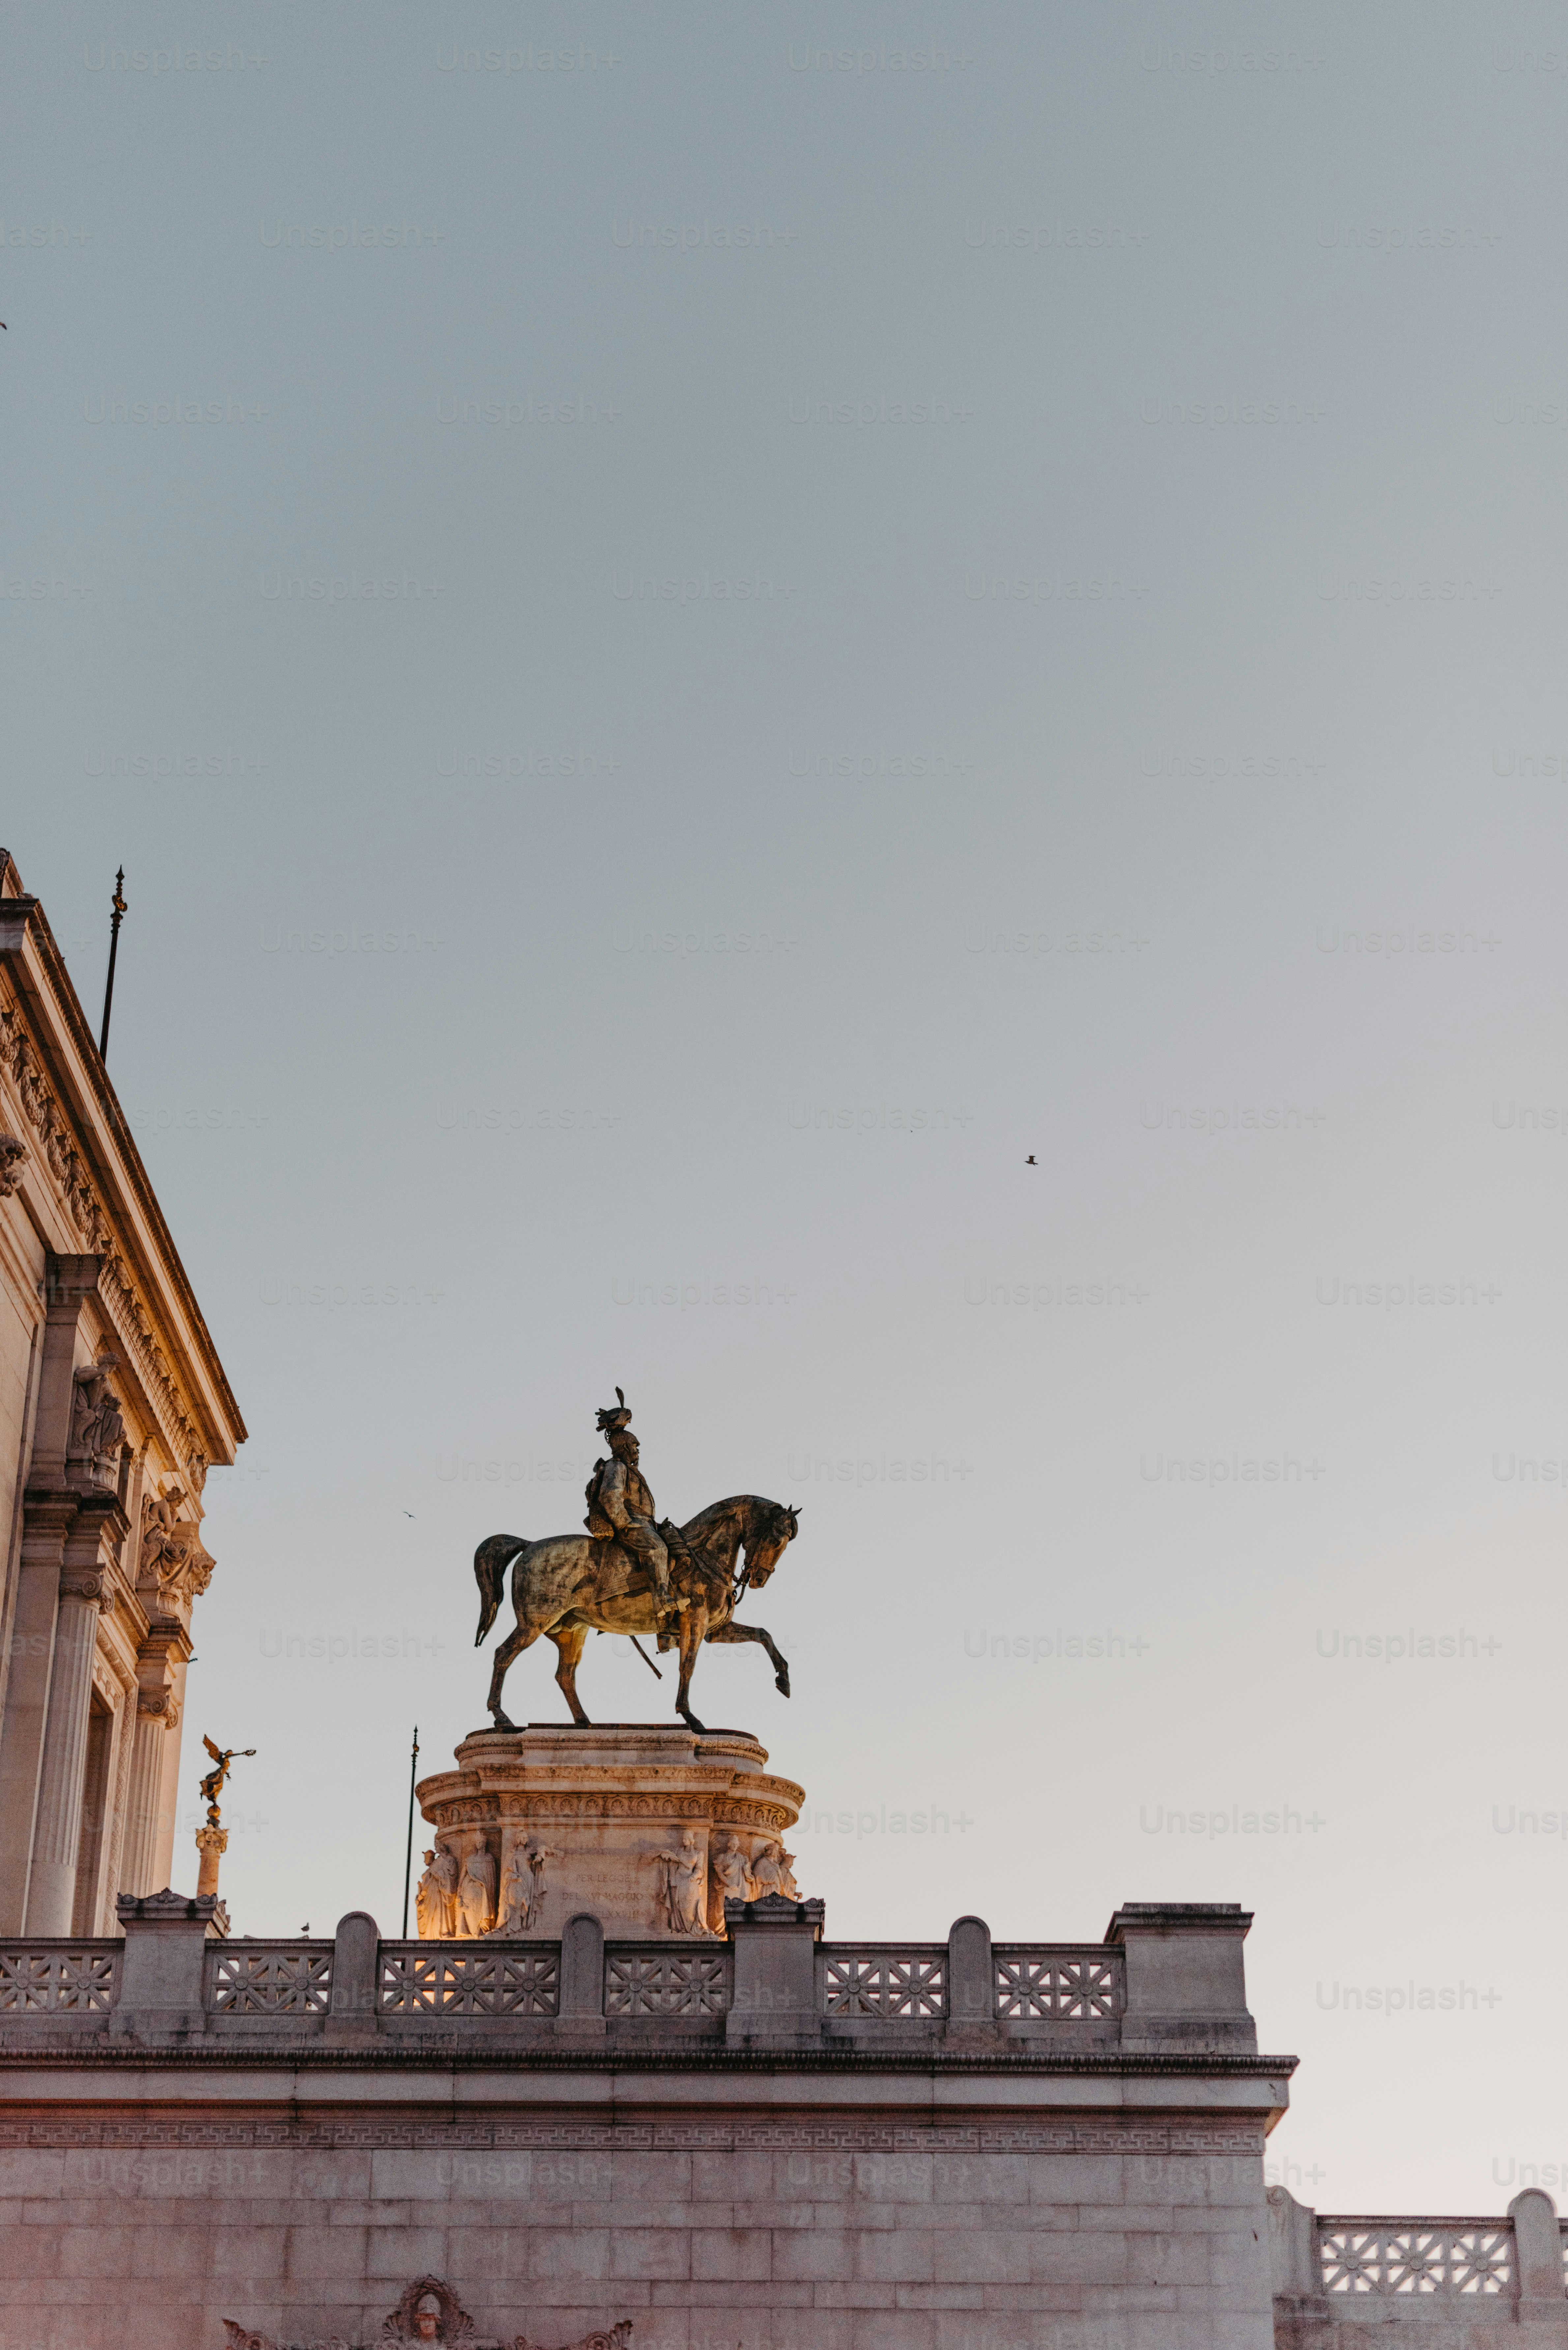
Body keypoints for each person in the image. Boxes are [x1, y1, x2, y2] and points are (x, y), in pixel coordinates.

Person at [583, 1389, 680, 1629]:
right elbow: (610, 1495)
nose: (637, 1450)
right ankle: (662, 1600)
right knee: (657, 1549)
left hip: (647, 1523)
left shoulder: (634, 1471)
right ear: (624, 1447)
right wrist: (624, 1522)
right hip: (629, 1523)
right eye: (634, 1446)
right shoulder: (617, 1466)